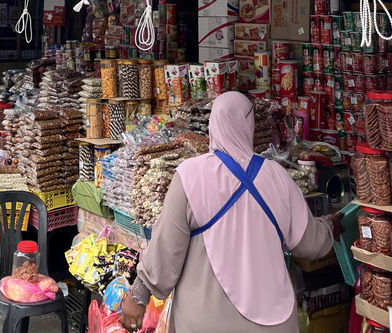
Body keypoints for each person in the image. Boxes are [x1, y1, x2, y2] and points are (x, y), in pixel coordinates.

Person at [120, 92, 344, 333]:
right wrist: (329, 226)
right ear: (249, 125)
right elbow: (309, 243)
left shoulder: (191, 175)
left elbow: (166, 248)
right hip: (272, 323)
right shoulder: (277, 176)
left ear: (213, 125)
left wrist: (139, 295)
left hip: (204, 322)